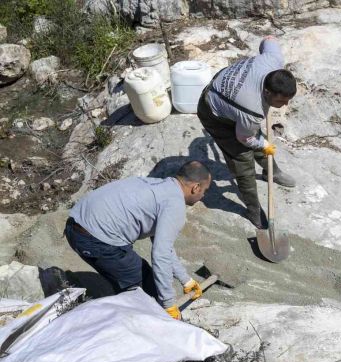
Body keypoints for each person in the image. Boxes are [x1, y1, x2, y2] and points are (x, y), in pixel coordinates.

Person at [64, 161, 212, 319]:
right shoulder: (175, 205)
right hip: (96, 239)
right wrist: (168, 304)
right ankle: (145, 324)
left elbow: (163, 246)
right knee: (142, 289)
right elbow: (160, 255)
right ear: (195, 187)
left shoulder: (157, 185)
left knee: (132, 275)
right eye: (204, 190)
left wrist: (185, 280)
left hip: (75, 226)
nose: (203, 195)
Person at [197, 35, 297, 229]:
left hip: (231, 97)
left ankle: (273, 173)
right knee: (242, 160)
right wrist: (263, 144)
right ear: (267, 92)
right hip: (214, 112)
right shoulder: (252, 110)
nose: (285, 105)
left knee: (261, 141)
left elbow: (269, 38)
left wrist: (263, 143)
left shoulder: (273, 59)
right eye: (281, 101)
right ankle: (253, 209)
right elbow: (244, 137)